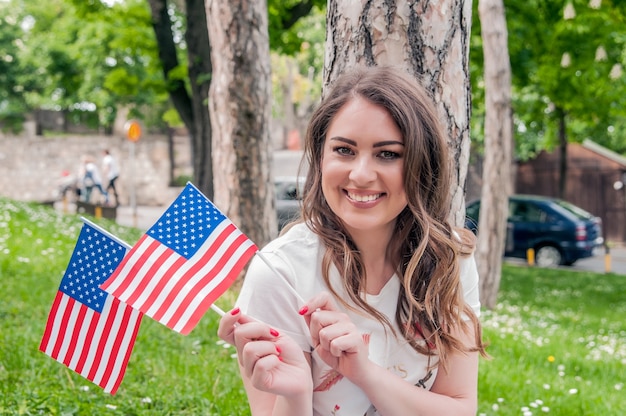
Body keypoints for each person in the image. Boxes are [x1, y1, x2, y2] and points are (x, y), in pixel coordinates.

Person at [218, 66, 488, 416]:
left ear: (422, 164)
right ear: (320, 156)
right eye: (344, 150)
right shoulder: (280, 273)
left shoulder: (449, 259)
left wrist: (364, 373)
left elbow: (459, 407)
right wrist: (296, 395)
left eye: (388, 154)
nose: (360, 175)